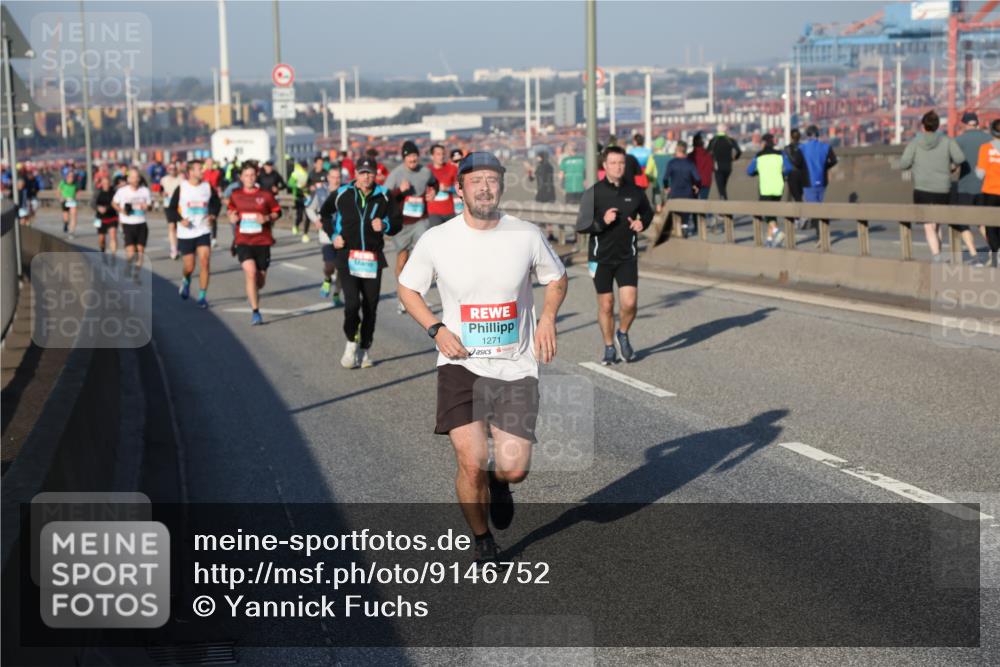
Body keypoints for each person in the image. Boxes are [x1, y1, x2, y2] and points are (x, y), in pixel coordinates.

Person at [397, 151, 568, 564]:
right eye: (476, 181)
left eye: (492, 179)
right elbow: (407, 288)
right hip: (462, 366)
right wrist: (436, 329)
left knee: (514, 468)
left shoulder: (525, 234)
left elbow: (557, 277)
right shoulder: (438, 240)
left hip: (515, 367)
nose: (485, 187)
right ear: (460, 190)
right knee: (470, 461)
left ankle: (501, 482)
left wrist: (547, 318)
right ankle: (481, 537)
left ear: (502, 186)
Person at [576, 145, 654, 365]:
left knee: (629, 304)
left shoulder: (635, 191)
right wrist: (602, 222)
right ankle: (609, 346)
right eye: (613, 163)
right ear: (604, 165)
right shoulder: (594, 192)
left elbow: (648, 213)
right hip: (600, 258)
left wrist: (642, 223)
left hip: (627, 256)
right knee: (607, 305)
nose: (618, 167)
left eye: (621, 163)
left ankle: (623, 333)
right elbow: (581, 225)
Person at [320, 156, 400, 368]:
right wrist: (333, 235)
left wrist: (384, 225)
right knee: (352, 304)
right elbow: (325, 214)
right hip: (347, 257)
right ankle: (350, 343)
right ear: (355, 174)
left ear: (376, 174)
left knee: (370, 306)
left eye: (370, 173)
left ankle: (365, 349)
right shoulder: (343, 193)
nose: (366, 177)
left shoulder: (384, 196)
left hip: (372, 258)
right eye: (363, 173)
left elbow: (397, 221)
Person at [899, 110, 967, 263]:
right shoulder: (947, 141)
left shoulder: (915, 143)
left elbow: (904, 163)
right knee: (937, 224)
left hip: (922, 189)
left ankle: (937, 258)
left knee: (929, 226)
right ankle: (938, 253)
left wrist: (915, 165)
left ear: (923, 126)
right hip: (943, 189)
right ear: (937, 126)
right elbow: (960, 158)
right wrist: (952, 167)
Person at [385, 140, 438, 313]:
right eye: (409, 157)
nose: (413, 159)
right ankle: (403, 298)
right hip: (402, 223)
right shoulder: (396, 174)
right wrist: (399, 191)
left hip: (420, 220)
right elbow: (385, 196)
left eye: (415, 156)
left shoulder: (425, 171)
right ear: (404, 158)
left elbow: (433, 182)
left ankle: (418, 296)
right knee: (402, 260)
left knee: (423, 257)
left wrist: (433, 191)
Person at [227, 163, 282, 325]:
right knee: (250, 272)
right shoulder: (236, 195)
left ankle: (254, 292)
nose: (249, 178)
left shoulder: (265, 195)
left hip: (262, 241)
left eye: (252, 175)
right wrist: (232, 216)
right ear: (241, 178)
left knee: (260, 281)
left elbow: (278, 212)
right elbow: (231, 210)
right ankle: (256, 311)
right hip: (243, 240)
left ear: (256, 176)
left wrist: (266, 218)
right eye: (246, 175)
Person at [167, 159, 222, 309]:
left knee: (205, 261)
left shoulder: (207, 187)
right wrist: (180, 220)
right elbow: (171, 209)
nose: (202, 171)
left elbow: (217, 203)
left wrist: (212, 215)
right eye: (199, 169)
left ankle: (202, 296)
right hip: (186, 232)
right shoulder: (182, 188)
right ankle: (186, 280)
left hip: (203, 230)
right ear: (190, 172)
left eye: (202, 169)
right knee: (189, 267)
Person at [955, 111, 992, 262]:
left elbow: (952, 163)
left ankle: (974, 255)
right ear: (977, 123)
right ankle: (995, 250)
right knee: (984, 222)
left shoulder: (958, 140)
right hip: (986, 187)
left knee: (962, 223)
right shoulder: (989, 139)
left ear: (964, 124)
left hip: (965, 187)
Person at [305, 165, 344, 306]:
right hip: (326, 235)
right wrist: (316, 219)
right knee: (330, 266)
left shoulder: (346, 191)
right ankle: (327, 279)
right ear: (328, 178)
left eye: (338, 177)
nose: (336, 180)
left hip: (343, 235)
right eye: (333, 177)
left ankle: (336, 295)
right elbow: (309, 208)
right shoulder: (321, 192)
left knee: (342, 268)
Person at [746, 133, 792, 248]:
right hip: (778, 188)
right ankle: (770, 240)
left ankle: (777, 232)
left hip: (766, 189)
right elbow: (789, 168)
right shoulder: (781, 154)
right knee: (772, 214)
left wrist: (758, 171)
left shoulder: (759, 155)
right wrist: (782, 174)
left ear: (764, 143)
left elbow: (749, 171)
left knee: (767, 214)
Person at [799, 125, 838, 241]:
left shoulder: (803, 148)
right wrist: (825, 167)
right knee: (819, 206)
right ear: (817, 134)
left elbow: (796, 161)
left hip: (808, 181)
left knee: (813, 210)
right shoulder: (826, 147)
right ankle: (821, 232)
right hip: (822, 181)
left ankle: (820, 234)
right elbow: (834, 160)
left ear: (807, 135)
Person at [112, 167, 153, 268]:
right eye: (133, 177)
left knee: (140, 251)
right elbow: (113, 203)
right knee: (131, 252)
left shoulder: (145, 191)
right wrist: (122, 210)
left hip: (141, 223)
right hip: (127, 223)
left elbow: (150, 206)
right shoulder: (122, 191)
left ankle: (137, 274)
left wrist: (147, 206)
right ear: (128, 179)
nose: (135, 179)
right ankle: (130, 267)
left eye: (137, 177)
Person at [975, 118, 1000, 267]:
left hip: (990, 191)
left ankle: (996, 255)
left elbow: (980, 174)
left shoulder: (985, 148)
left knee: (991, 226)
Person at [664, 140, 702, 237]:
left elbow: (665, 178)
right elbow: (698, 178)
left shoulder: (671, 163)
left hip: (675, 193)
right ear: (685, 150)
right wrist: (696, 186)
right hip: (687, 193)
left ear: (677, 149)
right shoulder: (690, 163)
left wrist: (666, 187)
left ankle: (676, 229)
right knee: (685, 215)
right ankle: (684, 228)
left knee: (675, 214)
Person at [708, 123, 742, 201]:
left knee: (720, 187)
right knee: (724, 185)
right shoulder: (730, 140)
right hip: (728, 166)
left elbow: (708, 153)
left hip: (717, 166)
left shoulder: (713, 140)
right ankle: (724, 202)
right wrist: (734, 158)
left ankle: (723, 203)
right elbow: (739, 151)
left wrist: (713, 159)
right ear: (726, 130)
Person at [427, 143, 458, 228]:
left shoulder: (452, 168)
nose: (441, 156)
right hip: (433, 213)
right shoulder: (426, 170)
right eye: (438, 154)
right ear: (432, 156)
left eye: (443, 154)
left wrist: (447, 188)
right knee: (436, 238)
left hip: (449, 212)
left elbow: (459, 188)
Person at [160, 162, 183, 259]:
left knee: (180, 227)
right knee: (172, 226)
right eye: (170, 169)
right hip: (168, 205)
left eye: (174, 168)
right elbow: (160, 191)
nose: (172, 170)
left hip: (179, 205)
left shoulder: (181, 178)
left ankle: (180, 246)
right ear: (168, 170)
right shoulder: (164, 180)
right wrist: (162, 194)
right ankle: (173, 249)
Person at [93, 175, 120, 256]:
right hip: (100, 218)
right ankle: (102, 250)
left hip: (112, 216)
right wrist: (98, 208)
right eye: (104, 183)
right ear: (101, 183)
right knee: (101, 238)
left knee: (113, 235)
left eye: (107, 183)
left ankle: (114, 256)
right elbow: (92, 203)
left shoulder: (114, 191)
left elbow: (118, 202)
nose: (106, 185)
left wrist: (108, 208)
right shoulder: (98, 192)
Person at [290, 160, 310, 241]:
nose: (305, 168)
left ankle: (305, 234)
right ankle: (296, 225)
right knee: (300, 215)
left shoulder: (308, 174)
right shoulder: (295, 173)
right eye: (303, 166)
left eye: (306, 166)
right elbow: (290, 183)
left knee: (308, 215)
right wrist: (298, 185)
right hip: (298, 196)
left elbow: (310, 183)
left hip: (307, 197)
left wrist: (308, 187)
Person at [58, 170, 80, 238]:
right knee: (66, 216)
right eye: (70, 176)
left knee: (74, 215)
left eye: (72, 176)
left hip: (72, 200)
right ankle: (65, 223)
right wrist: (60, 198)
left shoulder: (76, 183)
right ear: (67, 176)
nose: (71, 177)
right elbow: (59, 191)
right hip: (65, 200)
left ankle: (71, 232)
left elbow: (78, 190)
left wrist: (76, 197)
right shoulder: (63, 182)